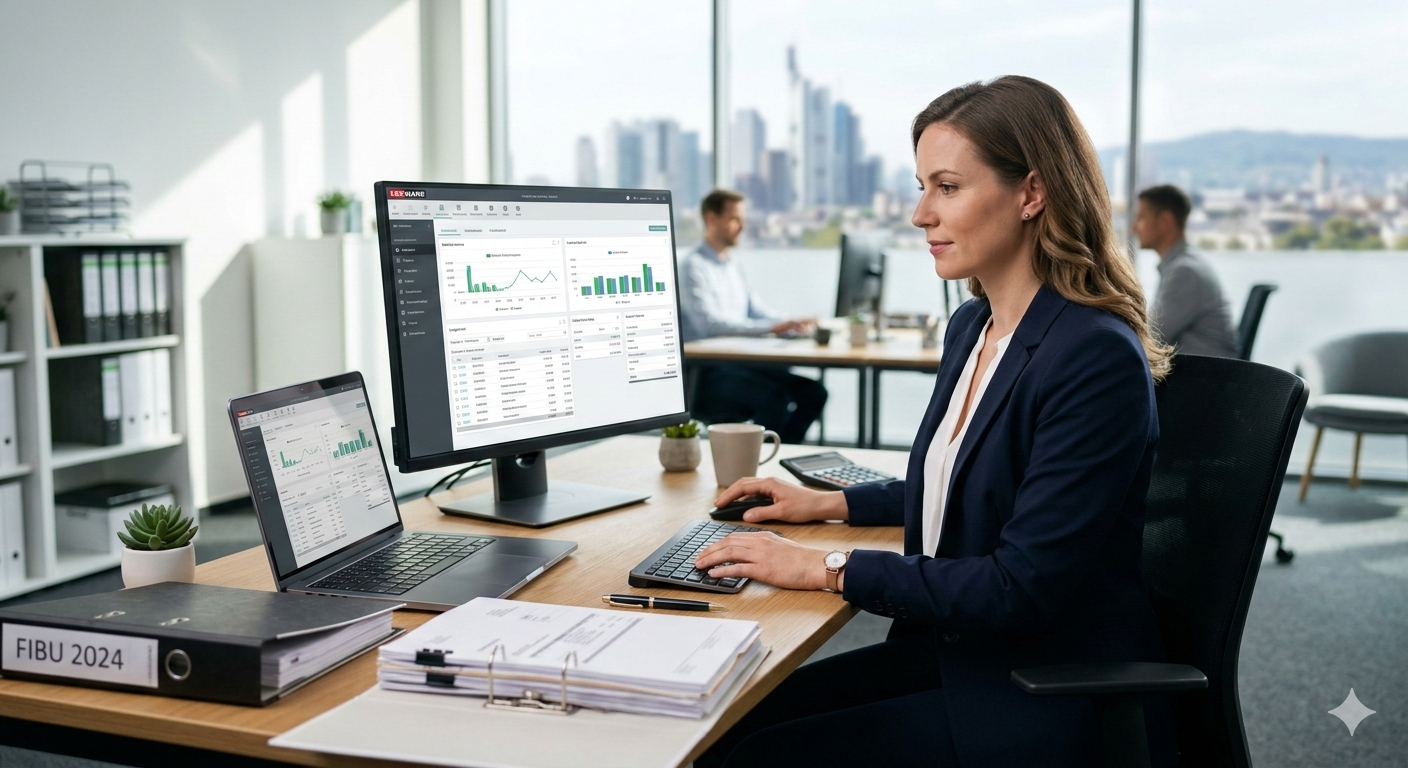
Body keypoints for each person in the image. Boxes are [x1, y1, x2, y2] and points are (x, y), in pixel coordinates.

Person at [693, 77, 1180, 768]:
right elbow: (971, 485)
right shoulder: (973, 325)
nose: (921, 213)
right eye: (922, 186)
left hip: (1040, 688)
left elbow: (1018, 589)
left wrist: (824, 567)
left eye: (947, 187)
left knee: (752, 757)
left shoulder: (1093, 356)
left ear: (1031, 193)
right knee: (719, 729)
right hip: (952, 652)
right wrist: (828, 503)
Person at [679, 189, 827, 443]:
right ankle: (756, 468)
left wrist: (789, 322)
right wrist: (772, 327)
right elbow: (710, 325)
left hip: (741, 363)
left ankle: (780, 462)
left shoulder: (731, 265)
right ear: (711, 219)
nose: (742, 227)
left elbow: (755, 310)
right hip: (709, 373)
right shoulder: (693, 266)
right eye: (735, 219)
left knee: (814, 393)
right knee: (775, 399)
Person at [1133, 184, 1239, 357]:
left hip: (1206, 379)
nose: (1134, 228)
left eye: (1141, 219)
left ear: (1165, 221)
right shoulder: (1183, 264)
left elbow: (1150, 341)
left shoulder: (1185, 272)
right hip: (1204, 374)